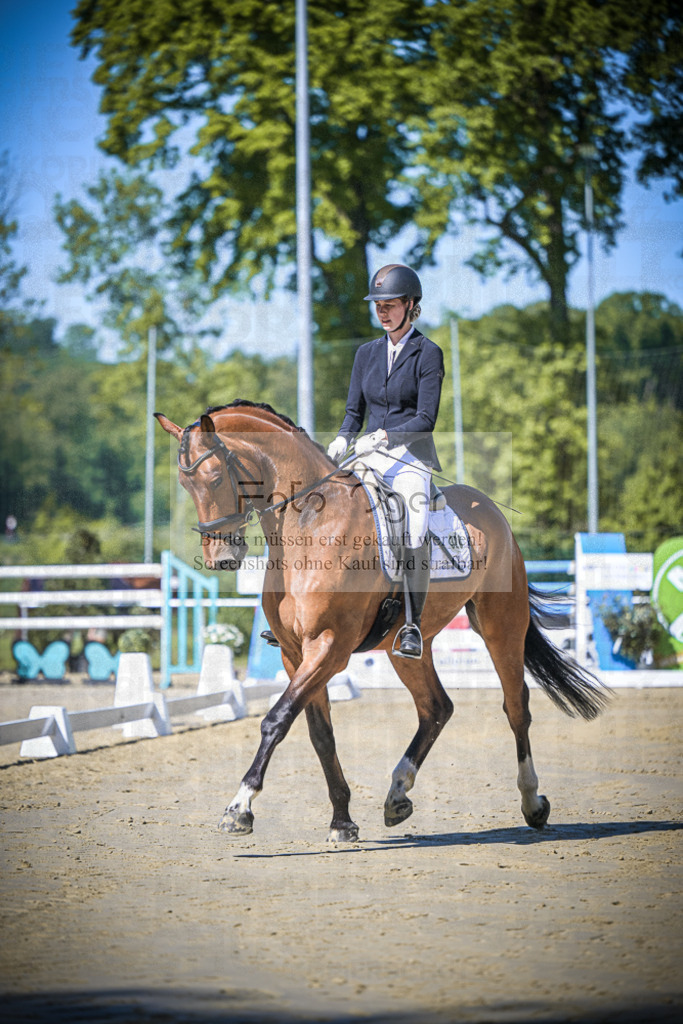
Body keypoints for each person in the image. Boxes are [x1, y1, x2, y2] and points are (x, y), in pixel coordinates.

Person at [327, 264, 445, 659]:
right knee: (326, 507)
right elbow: (352, 411)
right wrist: (343, 437)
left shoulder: (428, 353)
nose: (382, 312)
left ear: (411, 305)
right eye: (378, 305)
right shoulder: (366, 353)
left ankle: (411, 623)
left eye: (390, 304)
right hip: (367, 455)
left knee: (414, 526)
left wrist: (385, 437)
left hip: (409, 457)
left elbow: (426, 418)